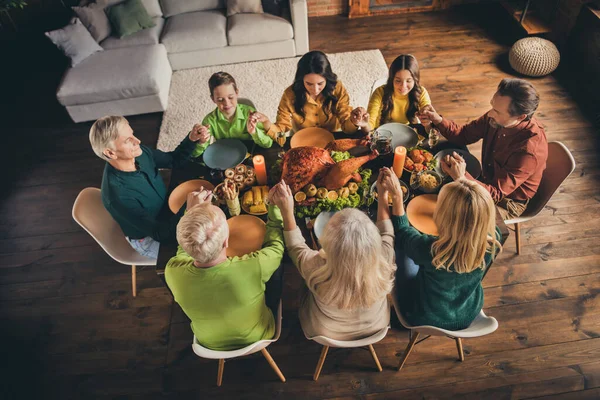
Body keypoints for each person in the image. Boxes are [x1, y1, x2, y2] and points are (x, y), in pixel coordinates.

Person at [269, 178, 396, 340]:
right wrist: (383, 194)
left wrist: (286, 210)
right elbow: (387, 231)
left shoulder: (315, 268)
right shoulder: (386, 258)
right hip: (376, 327)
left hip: (325, 331)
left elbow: (295, 246)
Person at [380, 168, 502, 330]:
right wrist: (461, 181)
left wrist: (397, 196)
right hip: (468, 311)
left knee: (399, 251)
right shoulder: (494, 240)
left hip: (424, 315)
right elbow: (474, 210)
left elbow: (403, 233)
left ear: (447, 219)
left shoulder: (432, 250)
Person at [165, 187, 285, 351]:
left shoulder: (172, 271)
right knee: (278, 269)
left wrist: (191, 213)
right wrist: (274, 207)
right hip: (258, 336)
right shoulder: (254, 266)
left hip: (208, 344)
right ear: (226, 242)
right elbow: (276, 247)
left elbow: (184, 251)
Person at [419, 78, 548, 220]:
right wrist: (438, 120)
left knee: (452, 218)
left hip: (506, 203)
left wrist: (462, 178)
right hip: (485, 181)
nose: (490, 114)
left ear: (520, 117)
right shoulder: (495, 117)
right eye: (492, 106)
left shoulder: (528, 151)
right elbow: (464, 135)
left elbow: (495, 194)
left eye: (497, 112)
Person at [89, 116, 209, 259]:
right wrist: (189, 208)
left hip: (166, 211)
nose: (137, 141)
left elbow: (172, 159)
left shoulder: (138, 153)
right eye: (128, 140)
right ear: (110, 153)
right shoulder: (118, 196)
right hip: (151, 238)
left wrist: (191, 139)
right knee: (206, 247)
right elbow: (163, 235)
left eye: (132, 134)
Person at [253, 50, 370, 145]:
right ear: (301, 79)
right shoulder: (289, 94)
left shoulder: (337, 88)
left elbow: (347, 129)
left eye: (320, 84)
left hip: (334, 137)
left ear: (327, 79)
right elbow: (280, 135)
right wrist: (267, 124)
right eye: (309, 84)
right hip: (301, 141)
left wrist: (354, 121)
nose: (315, 90)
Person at [191, 72, 273, 158]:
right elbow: (195, 155)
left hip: (251, 155)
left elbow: (268, 144)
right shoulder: (209, 121)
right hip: (226, 157)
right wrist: (202, 142)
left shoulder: (249, 114)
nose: (227, 103)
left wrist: (254, 132)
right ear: (213, 99)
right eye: (220, 99)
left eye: (230, 97)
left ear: (237, 93)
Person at [367, 54, 432, 130]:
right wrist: (364, 124)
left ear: (415, 80)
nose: (403, 86)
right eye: (398, 81)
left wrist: (427, 119)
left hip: (408, 132)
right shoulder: (380, 92)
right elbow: (370, 123)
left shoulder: (421, 92)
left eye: (408, 81)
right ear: (392, 79)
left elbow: (429, 129)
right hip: (382, 133)